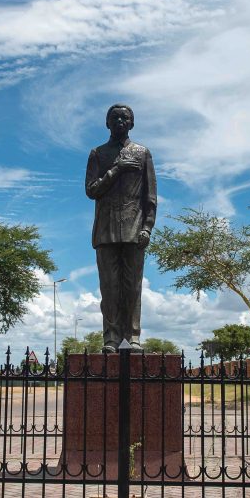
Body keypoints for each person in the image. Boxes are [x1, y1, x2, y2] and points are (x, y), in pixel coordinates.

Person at [85, 104, 157, 353]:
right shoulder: (98, 153)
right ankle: (111, 340)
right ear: (107, 123)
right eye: (114, 117)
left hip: (134, 229)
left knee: (133, 287)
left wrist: (147, 227)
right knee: (110, 289)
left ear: (132, 123)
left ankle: (132, 337)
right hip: (105, 232)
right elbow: (92, 190)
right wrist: (117, 169)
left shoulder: (142, 152)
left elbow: (150, 197)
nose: (119, 121)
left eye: (125, 117)